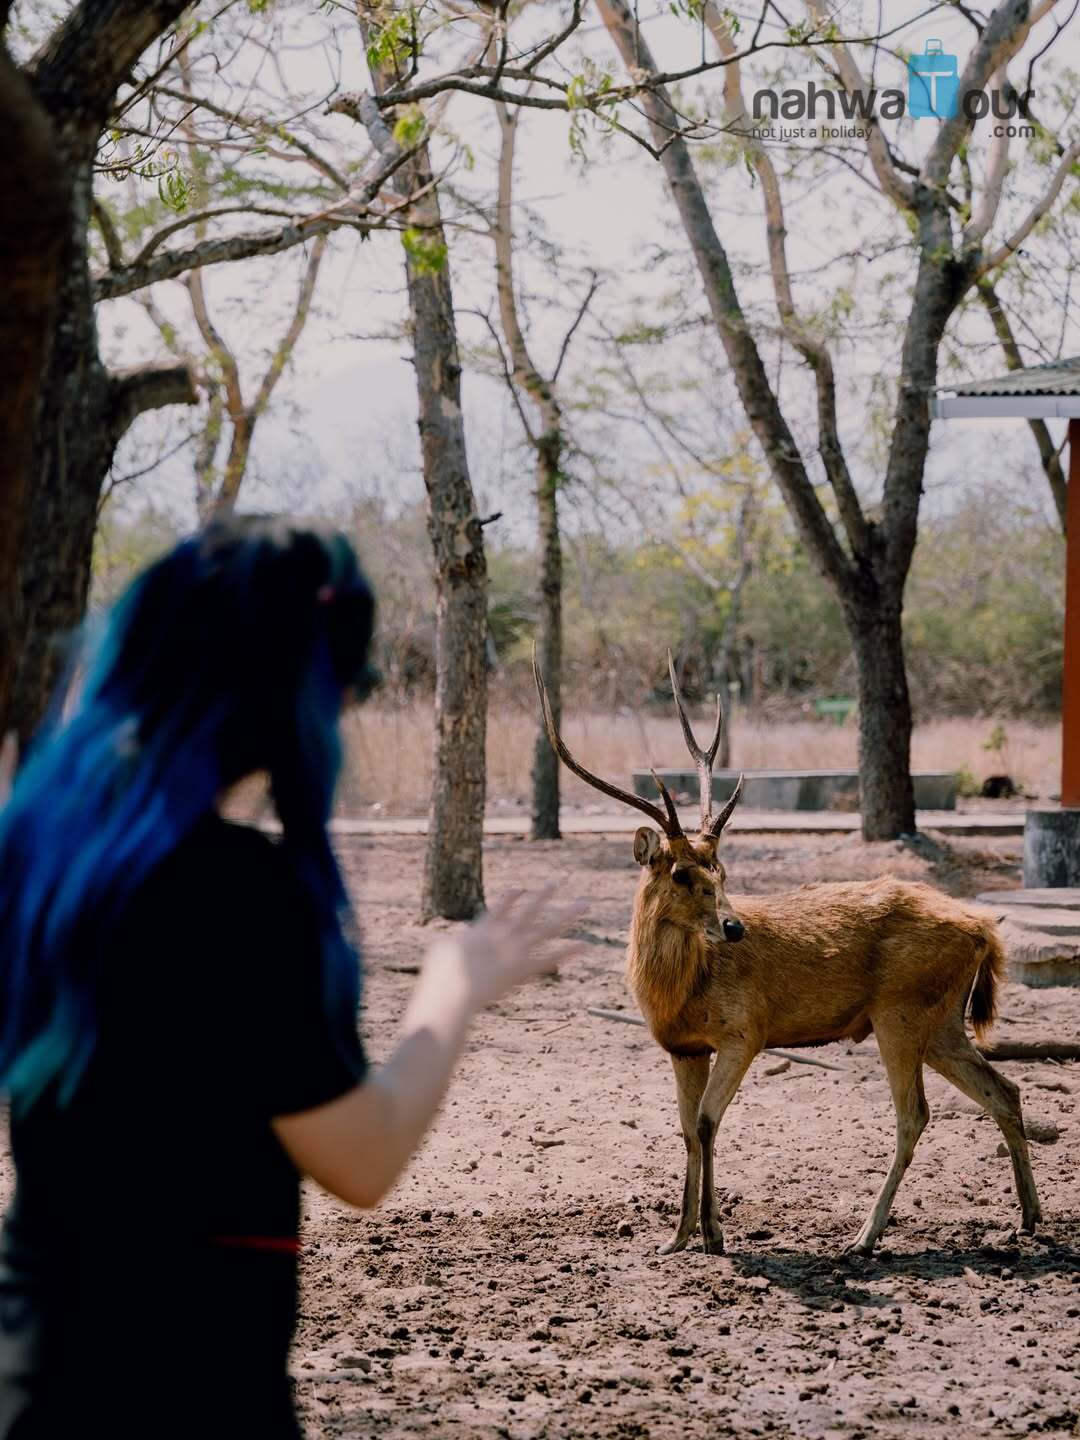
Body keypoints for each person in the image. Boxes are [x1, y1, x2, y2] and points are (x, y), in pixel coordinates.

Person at [0, 516, 583, 1438]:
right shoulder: (238, 894)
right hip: (190, 1384)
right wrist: (455, 980)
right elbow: (361, 1156)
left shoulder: (34, 856)